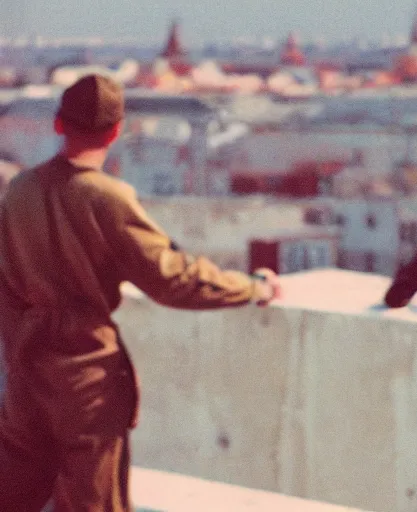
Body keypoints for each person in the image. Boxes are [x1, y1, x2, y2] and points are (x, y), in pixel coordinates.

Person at [0, 74, 280, 512]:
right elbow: (172, 279)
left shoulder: (19, 191)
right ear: (116, 131)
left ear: (58, 125)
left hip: (25, 377)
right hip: (86, 383)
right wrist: (252, 287)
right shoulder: (108, 196)